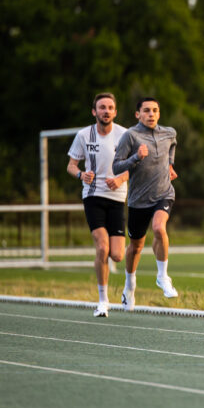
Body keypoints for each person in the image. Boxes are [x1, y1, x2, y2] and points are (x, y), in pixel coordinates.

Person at [112, 97, 179, 311]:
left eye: (155, 110)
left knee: (160, 228)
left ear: (159, 113)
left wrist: (170, 165)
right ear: (137, 114)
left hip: (164, 193)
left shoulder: (169, 132)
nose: (151, 114)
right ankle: (129, 284)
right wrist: (136, 158)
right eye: (146, 111)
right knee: (136, 247)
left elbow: (172, 149)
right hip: (138, 200)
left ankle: (163, 276)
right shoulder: (130, 136)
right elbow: (116, 167)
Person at [67, 92, 130, 318]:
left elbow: (135, 166)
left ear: (115, 112)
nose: (106, 111)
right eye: (101, 107)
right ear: (94, 112)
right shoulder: (84, 135)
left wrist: (121, 179)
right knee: (102, 248)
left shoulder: (125, 135)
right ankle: (103, 301)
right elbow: (71, 166)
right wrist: (81, 175)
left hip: (117, 198)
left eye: (109, 107)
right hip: (93, 196)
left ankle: (121, 288)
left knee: (117, 255)